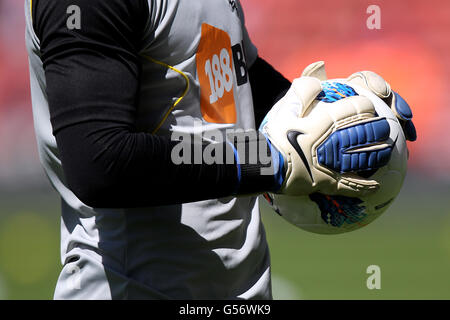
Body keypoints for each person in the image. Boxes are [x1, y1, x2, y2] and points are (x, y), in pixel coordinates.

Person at [25, 0, 413, 299]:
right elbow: (99, 161)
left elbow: (228, 88)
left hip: (242, 290)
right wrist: (271, 162)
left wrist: (347, 112)